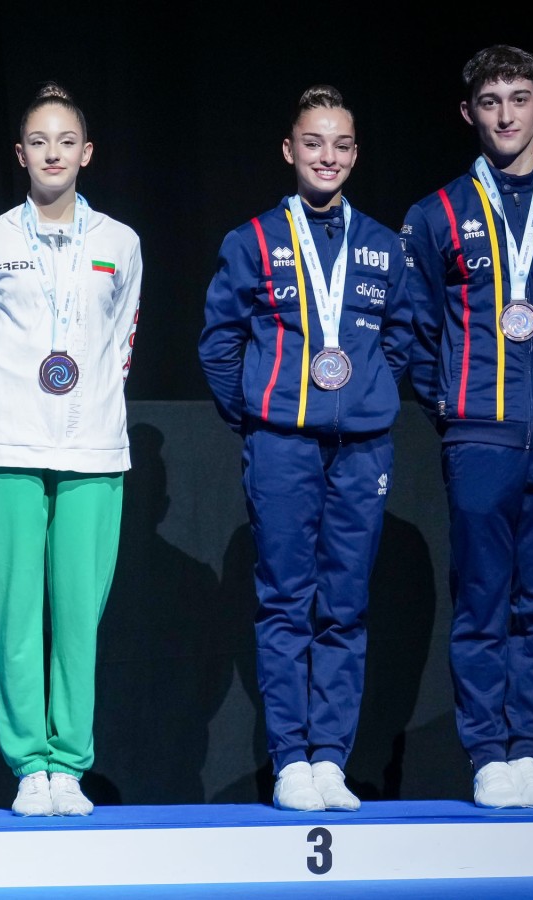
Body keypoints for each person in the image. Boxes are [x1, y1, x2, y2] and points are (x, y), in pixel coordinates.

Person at [399, 44, 533, 809]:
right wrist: (456, 407)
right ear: (469, 113)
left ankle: (529, 750)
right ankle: (488, 755)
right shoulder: (434, 215)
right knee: (483, 598)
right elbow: (416, 331)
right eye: (490, 102)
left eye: (519, 98)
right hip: (479, 434)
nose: (506, 115)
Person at [199, 85, 412, 812]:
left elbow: (405, 339)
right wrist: (259, 418)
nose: (328, 157)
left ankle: (331, 760)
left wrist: (366, 395)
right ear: (289, 149)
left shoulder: (384, 246)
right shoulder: (251, 241)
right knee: (286, 601)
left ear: (355, 154)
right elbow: (219, 345)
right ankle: (292, 759)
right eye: (314, 143)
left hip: (363, 449)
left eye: (341, 145)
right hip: (281, 447)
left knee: (345, 604)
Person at [0, 81, 143, 817]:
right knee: (14, 616)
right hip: (7, 444)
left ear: (87, 153)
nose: (53, 154)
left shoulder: (120, 243)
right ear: (20, 154)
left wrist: (84, 408)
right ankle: (29, 764)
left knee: (77, 620)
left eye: (67, 141)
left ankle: (68, 764)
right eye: (39, 142)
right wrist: (7, 415)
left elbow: (120, 345)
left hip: (93, 448)